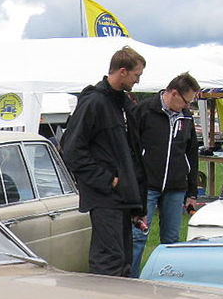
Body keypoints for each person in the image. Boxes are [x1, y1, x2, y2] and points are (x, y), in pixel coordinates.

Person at [61, 45, 147, 276]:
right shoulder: (94, 103)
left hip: (122, 198)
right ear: (122, 71)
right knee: (108, 261)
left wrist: (136, 200)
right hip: (104, 196)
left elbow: (131, 153)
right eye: (137, 75)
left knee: (123, 260)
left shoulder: (121, 105)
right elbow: (70, 149)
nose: (138, 81)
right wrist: (107, 180)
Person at [131, 72, 200, 276]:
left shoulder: (186, 117)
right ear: (174, 94)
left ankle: (166, 282)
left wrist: (192, 191)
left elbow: (192, 153)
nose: (187, 106)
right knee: (138, 236)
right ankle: (130, 280)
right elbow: (132, 148)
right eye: (186, 101)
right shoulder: (144, 111)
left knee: (172, 240)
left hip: (176, 187)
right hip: (147, 186)